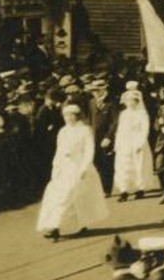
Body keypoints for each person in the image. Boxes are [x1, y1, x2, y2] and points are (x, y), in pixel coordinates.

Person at [36, 103, 109, 240]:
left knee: (71, 196)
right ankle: (55, 226)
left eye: (71, 115)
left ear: (77, 116)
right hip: (64, 167)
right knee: (57, 196)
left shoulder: (85, 130)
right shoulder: (63, 131)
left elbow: (89, 150)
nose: (68, 118)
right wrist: (56, 167)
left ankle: (62, 225)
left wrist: (84, 167)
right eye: (65, 115)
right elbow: (59, 151)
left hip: (78, 166)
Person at [113, 84, 154, 202]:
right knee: (123, 166)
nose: (130, 103)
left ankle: (139, 189)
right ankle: (124, 190)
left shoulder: (141, 113)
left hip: (136, 140)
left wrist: (140, 143)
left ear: (137, 101)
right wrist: (117, 143)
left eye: (132, 101)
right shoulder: (123, 114)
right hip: (124, 141)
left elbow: (145, 129)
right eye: (128, 101)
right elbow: (120, 129)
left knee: (138, 165)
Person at [88, 79, 118, 197]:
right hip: (94, 137)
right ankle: (98, 187)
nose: (95, 92)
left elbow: (115, 122)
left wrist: (109, 137)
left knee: (107, 164)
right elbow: (91, 120)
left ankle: (106, 189)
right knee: (97, 163)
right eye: (93, 90)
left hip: (107, 138)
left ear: (104, 89)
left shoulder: (112, 102)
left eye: (97, 90)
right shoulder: (91, 102)